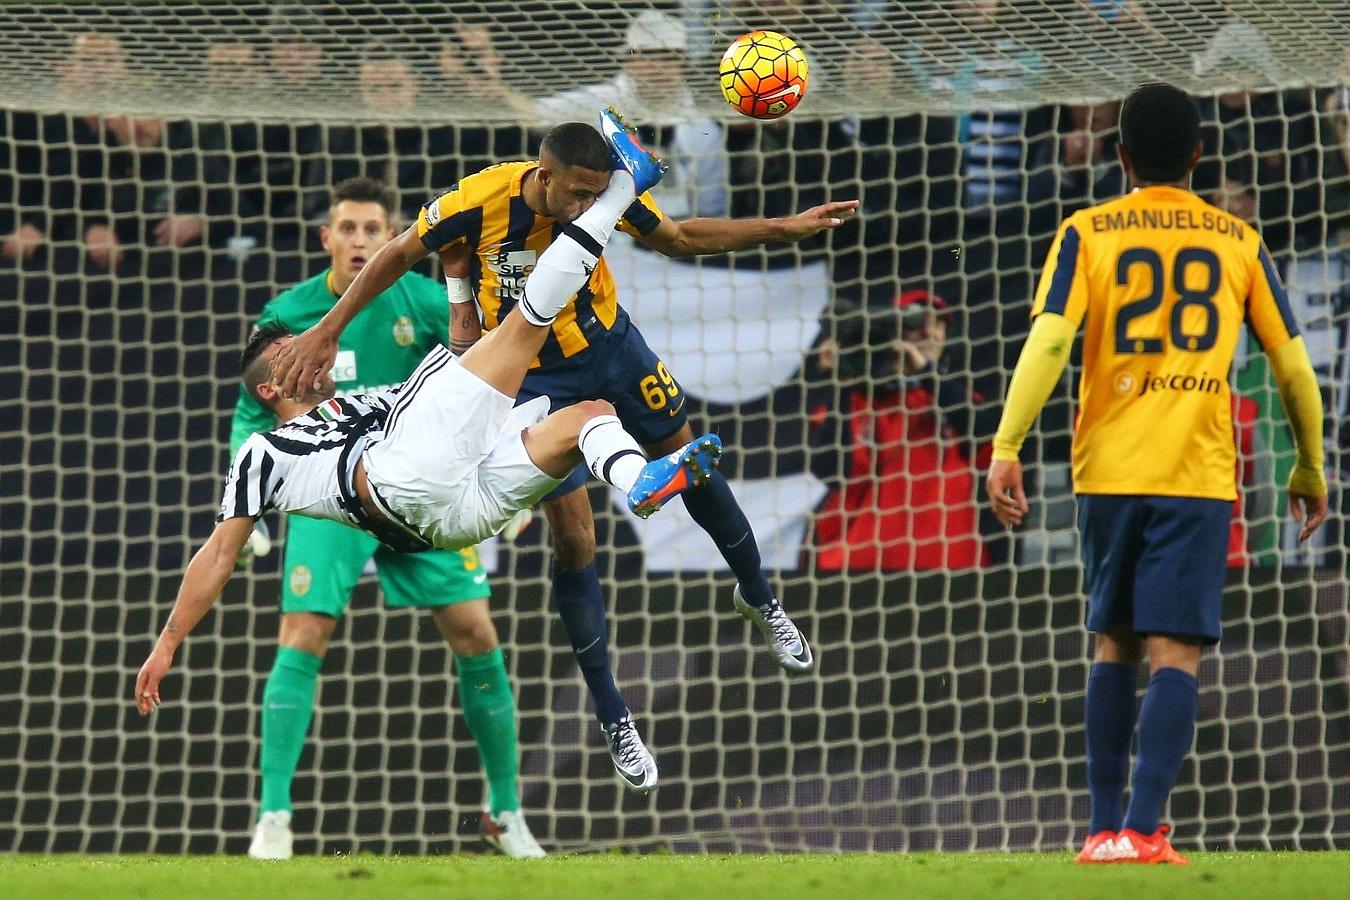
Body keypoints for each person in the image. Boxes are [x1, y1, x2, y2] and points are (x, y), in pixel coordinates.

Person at [270, 111, 857, 792]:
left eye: (593, 196)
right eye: (576, 196)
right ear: (542, 176)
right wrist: (326, 330)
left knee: (694, 464)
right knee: (576, 539)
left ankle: (761, 598)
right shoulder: (478, 200)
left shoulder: (605, 190)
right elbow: (400, 253)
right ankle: (614, 715)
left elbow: (678, 237)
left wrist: (784, 227)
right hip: (530, 381)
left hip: (611, 348)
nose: (586, 208)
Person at [135, 133, 722, 807]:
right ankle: (622, 188)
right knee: (528, 320)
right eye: (293, 357)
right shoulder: (263, 457)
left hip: (454, 508)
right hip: (400, 481)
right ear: (274, 387)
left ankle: (638, 481)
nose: (314, 356)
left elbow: (465, 359)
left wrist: (452, 279)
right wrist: (168, 643)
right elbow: (216, 557)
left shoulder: (359, 403)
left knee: (585, 415)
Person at [985, 83, 1328, 865]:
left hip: (1107, 468)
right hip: (1195, 472)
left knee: (1114, 643)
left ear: (1120, 155)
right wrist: (1309, 464)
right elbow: (1295, 369)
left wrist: (1008, 445)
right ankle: (1141, 831)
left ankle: (1103, 831)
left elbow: (1047, 345)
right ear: (1200, 156)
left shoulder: (1087, 230)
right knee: (1177, 652)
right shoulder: (1237, 239)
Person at [226, 177, 543, 859]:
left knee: (476, 631)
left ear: (391, 236)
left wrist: (521, 483)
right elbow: (253, 412)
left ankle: (506, 811)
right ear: (326, 238)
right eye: (348, 229)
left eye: (374, 229)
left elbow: (490, 378)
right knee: (302, 633)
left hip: (414, 490)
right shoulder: (288, 313)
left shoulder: (426, 301)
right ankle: (273, 818)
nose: (361, 240)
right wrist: (250, 508)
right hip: (326, 490)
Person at [810, 290, 995, 570]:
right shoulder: (854, 401)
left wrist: (925, 372)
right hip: (861, 564)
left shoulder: (959, 400)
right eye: (915, 323)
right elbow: (830, 470)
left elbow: (984, 434)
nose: (928, 332)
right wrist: (844, 375)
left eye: (939, 323)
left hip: (949, 565)